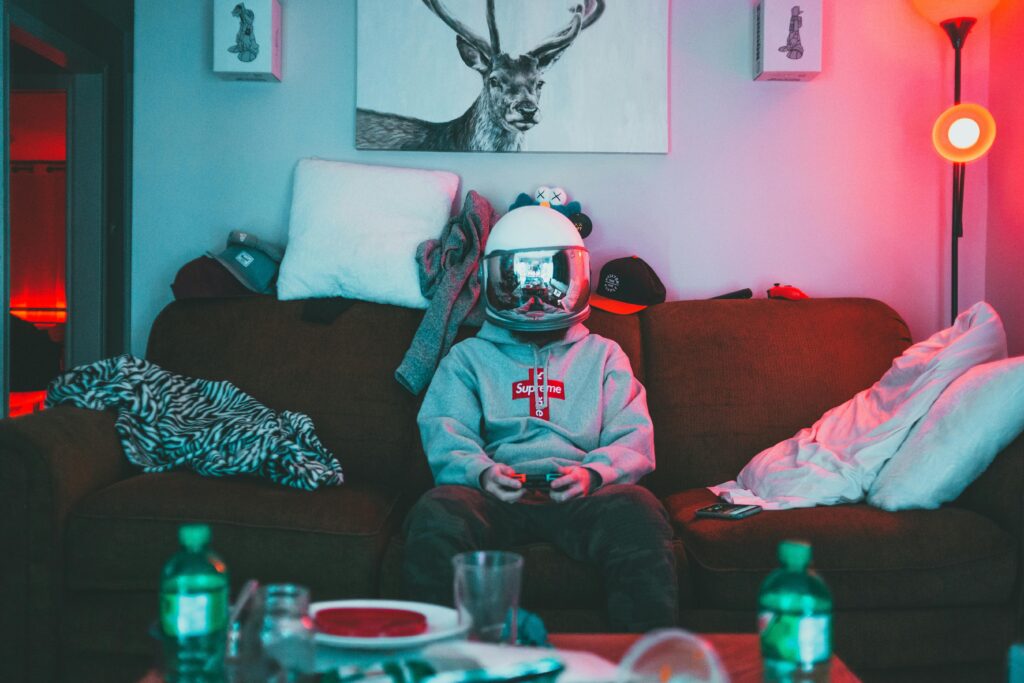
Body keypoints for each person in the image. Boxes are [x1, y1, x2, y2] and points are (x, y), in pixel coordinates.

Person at [402, 206, 678, 632]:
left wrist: (595, 474)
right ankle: (443, 661)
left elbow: (633, 436)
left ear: (576, 280)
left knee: (639, 510)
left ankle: (642, 661)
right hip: (496, 492)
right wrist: (480, 473)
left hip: (581, 491)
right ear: (492, 282)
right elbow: (444, 427)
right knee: (437, 512)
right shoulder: (469, 357)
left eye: (548, 284)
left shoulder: (603, 355)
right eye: (517, 285)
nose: (534, 301)